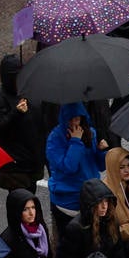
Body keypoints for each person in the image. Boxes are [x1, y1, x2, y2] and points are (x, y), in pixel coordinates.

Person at [45, 104, 107, 243]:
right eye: (70, 119)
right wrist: (76, 142)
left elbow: (100, 166)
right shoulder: (55, 139)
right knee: (70, 244)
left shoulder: (90, 133)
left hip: (90, 198)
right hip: (67, 203)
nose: (74, 123)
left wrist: (102, 152)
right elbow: (69, 167)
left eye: (77, 119)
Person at [0, 53, 46, 195]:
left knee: (31, 199)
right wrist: (16, 113)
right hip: (15, 168)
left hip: (32, 161)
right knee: (21, 204)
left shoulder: (28, 91)